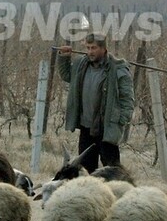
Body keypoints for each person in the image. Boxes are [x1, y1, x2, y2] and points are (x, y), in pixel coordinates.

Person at [57, 33, 134, 172]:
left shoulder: (118, 69)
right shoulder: (81, 65)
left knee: (113, 171)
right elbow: (67, 75)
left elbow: (127, 99)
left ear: (104, 48)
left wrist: (120, 121)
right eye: (88, 48)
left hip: (107, 129)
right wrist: (64, 57)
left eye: (94, 48)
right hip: (86, 129)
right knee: (86, 170)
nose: (90, 52)